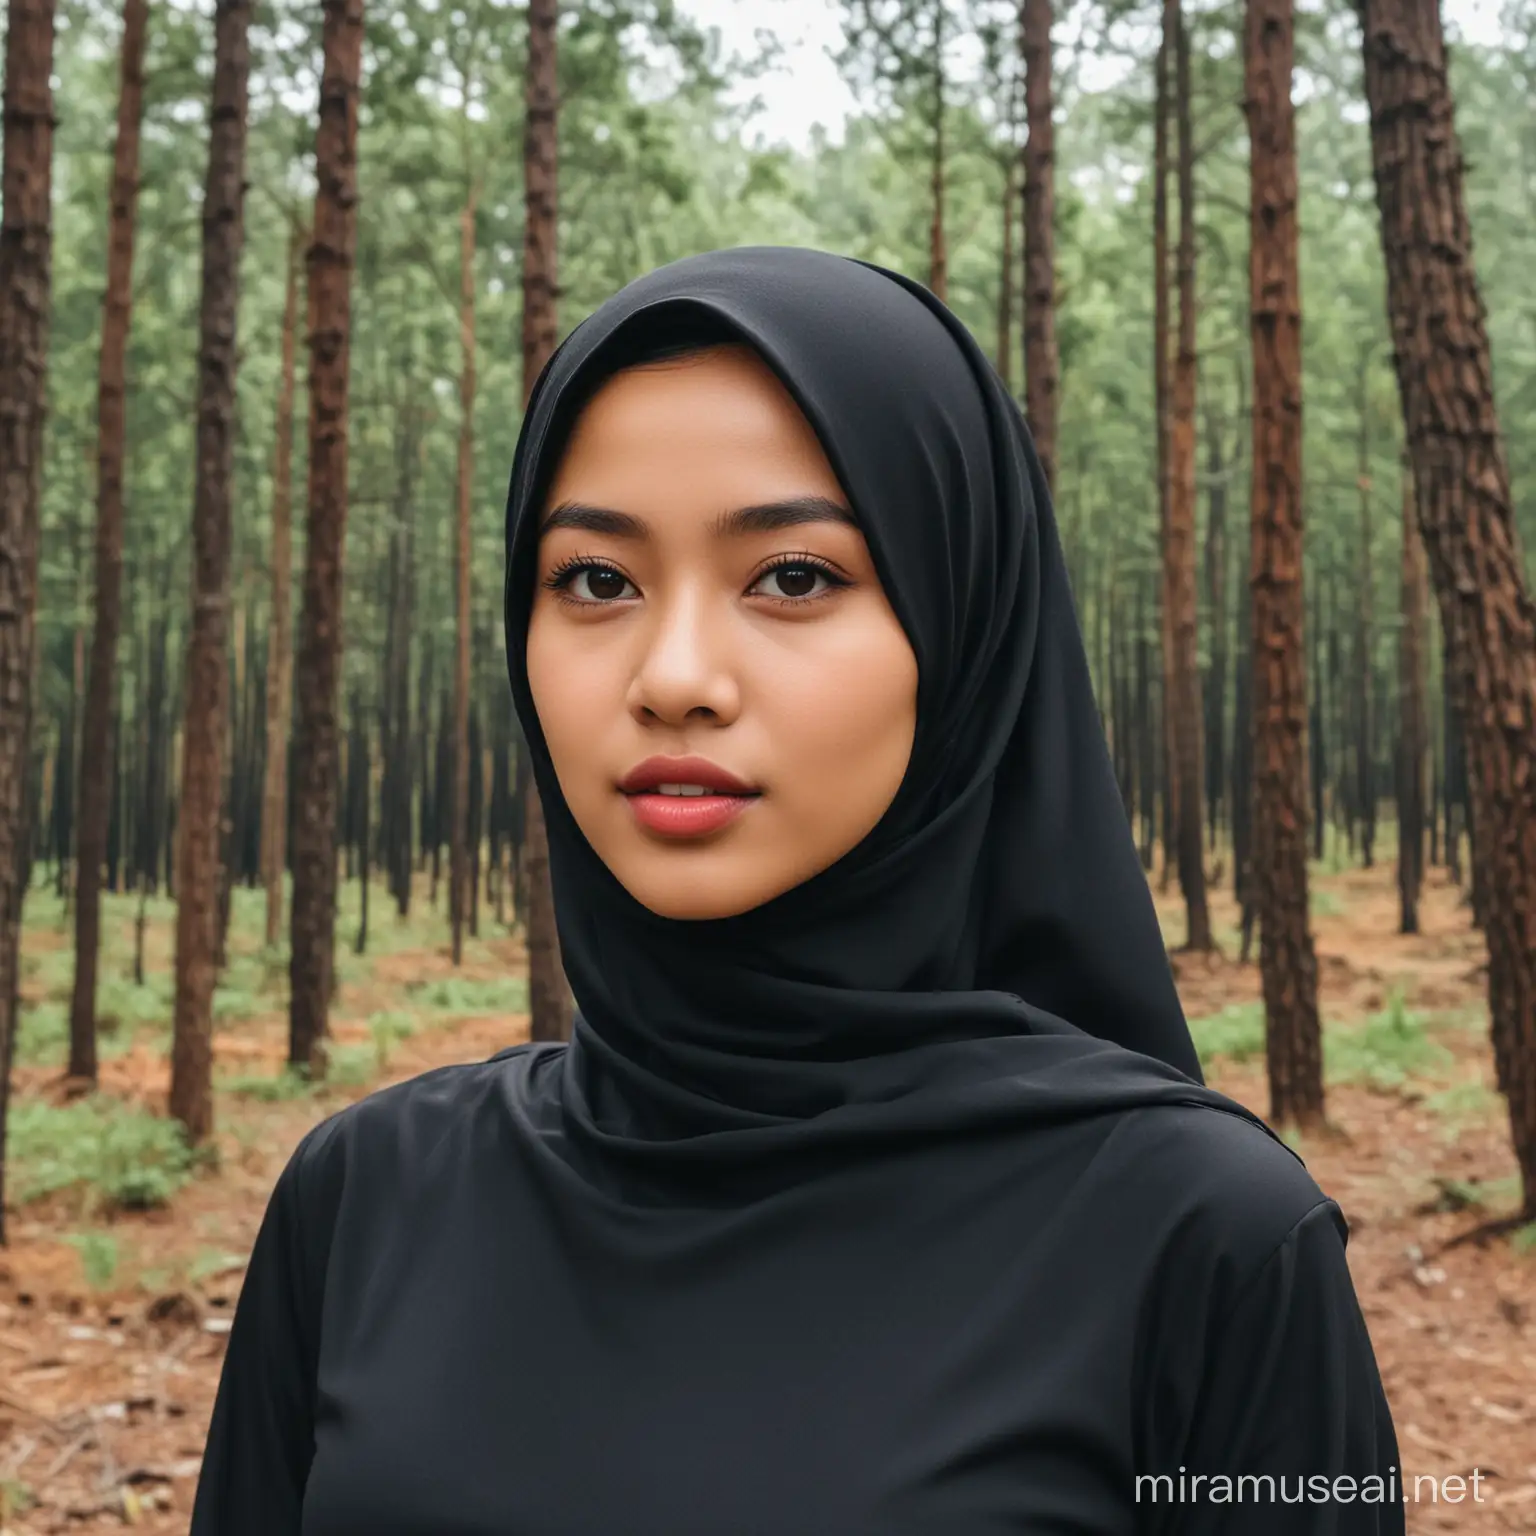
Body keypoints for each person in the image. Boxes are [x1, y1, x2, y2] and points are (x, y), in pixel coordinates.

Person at [190, 246, 1404, 1534]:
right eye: (596, 581)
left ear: (963, 626)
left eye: (794, 577)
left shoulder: (1206, 1244)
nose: (674, 676)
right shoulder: (365, 1200)